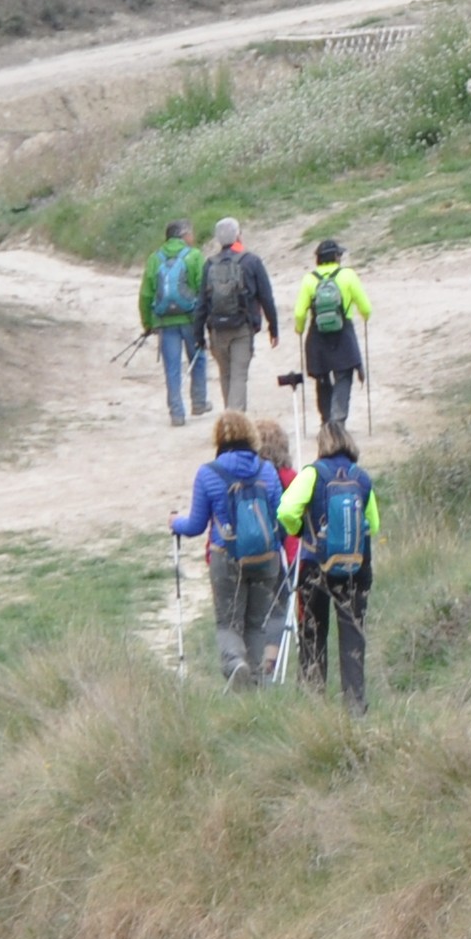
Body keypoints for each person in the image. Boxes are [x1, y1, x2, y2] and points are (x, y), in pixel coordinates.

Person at [172, 411, 294, 684]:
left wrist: (175, 523)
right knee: (256, 623)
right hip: (266, 558)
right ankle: (256, 683)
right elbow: (282, 518)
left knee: (228, 623)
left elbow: (195, 525)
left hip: (226, 557)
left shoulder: (208, 474)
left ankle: (234, 663)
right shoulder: (267, 470)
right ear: (251, 435)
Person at [280, 423, 379, 712]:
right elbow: (374, 524)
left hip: (315, 565)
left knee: (312, 634)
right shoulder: (362, 477)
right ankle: (355, 706)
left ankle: (313, 704)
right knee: (353, 635)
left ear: (322, 444)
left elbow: (286, 511)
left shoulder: (312, 474)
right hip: (356, 569)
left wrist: (300, 531)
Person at [286, 237, 370, 436]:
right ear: (336, 257)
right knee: (343, 377)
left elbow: (299, 313)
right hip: (343, 334)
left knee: (322, 378)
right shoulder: (348, 275)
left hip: (318, 335)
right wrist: (365, 316)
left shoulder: (309, 279)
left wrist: (299, 328)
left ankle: (326, 421)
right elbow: (366, 307)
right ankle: (338, 420)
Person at [202, 217, 279, 418]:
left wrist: (198, 335)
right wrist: (273, 328)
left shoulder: (209, 264)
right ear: (238, 236)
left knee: (225, 375)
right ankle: (234, 421)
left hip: (217, 329)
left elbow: (201, 302)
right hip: (242, 328)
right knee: (238, 376)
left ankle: (230, 418)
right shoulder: (251, 261)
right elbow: (266, 297)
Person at [142, 221, 211, 425]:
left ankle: (177, 412)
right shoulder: (194, 256)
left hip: (165, 321)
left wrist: (148, 322)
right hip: (191, 319)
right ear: (183, 235)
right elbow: (203, 288)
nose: (193, 237)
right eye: (191, 233)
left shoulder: (154, 258)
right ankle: (199, 402)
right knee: (197, 358)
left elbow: (146, 294)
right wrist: (205, 318)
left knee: (172, 368)